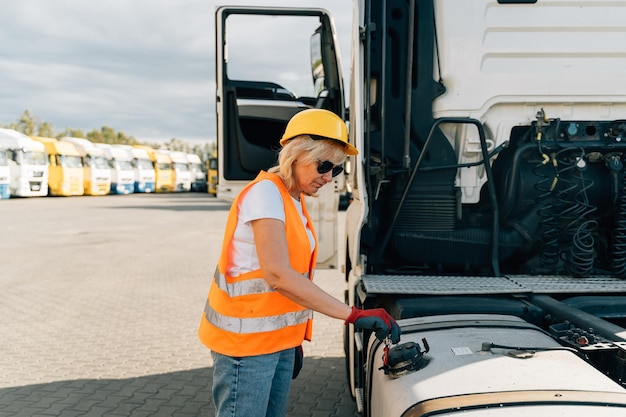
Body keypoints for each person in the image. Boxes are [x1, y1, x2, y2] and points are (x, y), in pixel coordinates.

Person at [198, 108, 401, 417]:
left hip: (274, 343)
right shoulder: (265, 194)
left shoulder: (291, 197)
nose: (328, 177)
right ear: (297, 153)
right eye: (323, 165)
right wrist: (352, 314)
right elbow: (278, 274)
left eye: (335, 169)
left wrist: (292, 339)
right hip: (245, 348)